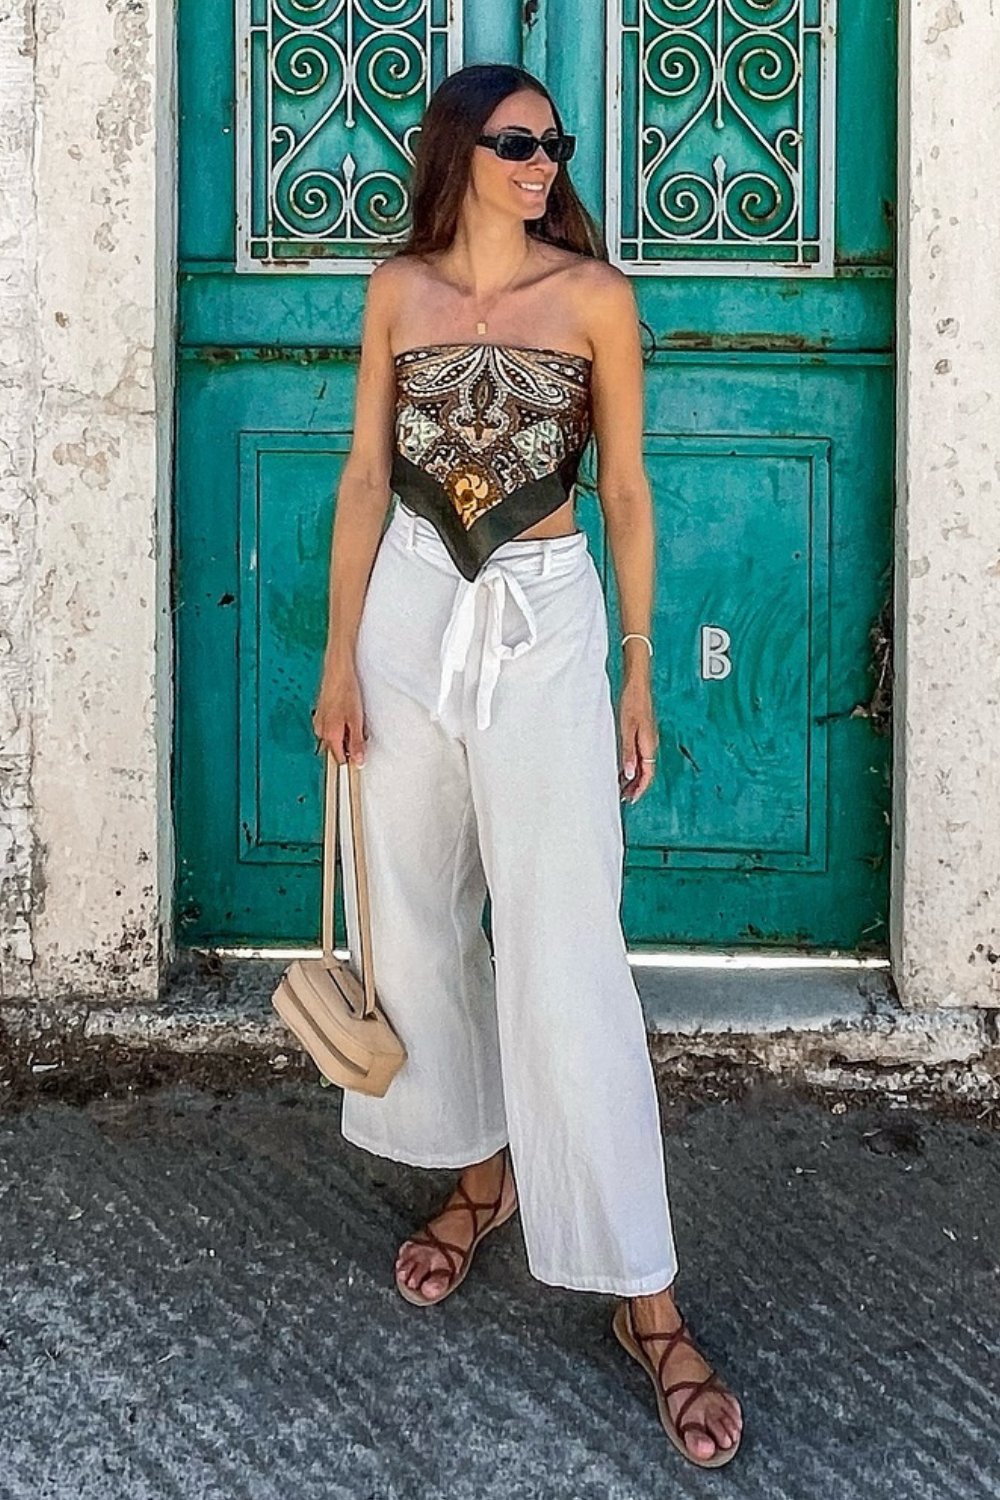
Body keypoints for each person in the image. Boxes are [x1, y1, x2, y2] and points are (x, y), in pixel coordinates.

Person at [312, 62, 743, 1469]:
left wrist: (633, 665)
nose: (543, 161)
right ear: (460, 149)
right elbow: (368, 478)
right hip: (408, 616)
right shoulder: (399, 290)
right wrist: (334, 661)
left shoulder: (596, 301)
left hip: (548, 619)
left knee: (567, 951)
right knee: (419, 920)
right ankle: (479, 1172)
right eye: (516, 141)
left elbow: (624, 486)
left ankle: (648, 1297)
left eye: (554, 143)